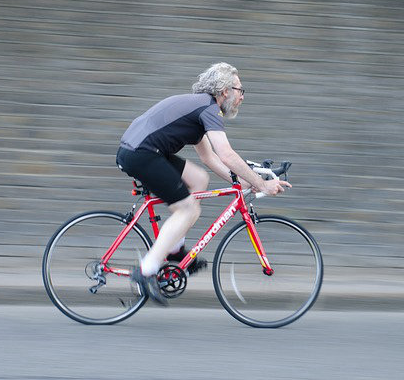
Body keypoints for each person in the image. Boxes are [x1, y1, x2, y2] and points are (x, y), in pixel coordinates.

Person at [116, 62, 291, 305]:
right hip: (143, 153)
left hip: (142, 151)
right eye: (240, 89)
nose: (242, 96)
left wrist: (244, 182)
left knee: (199, 179)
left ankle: (175, 249)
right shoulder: (209, 109)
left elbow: (210, 158)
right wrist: (261, 185)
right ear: (224, 90)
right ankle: (146, 270)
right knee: (188, 208)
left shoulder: (199, 108)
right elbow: (227, 154)